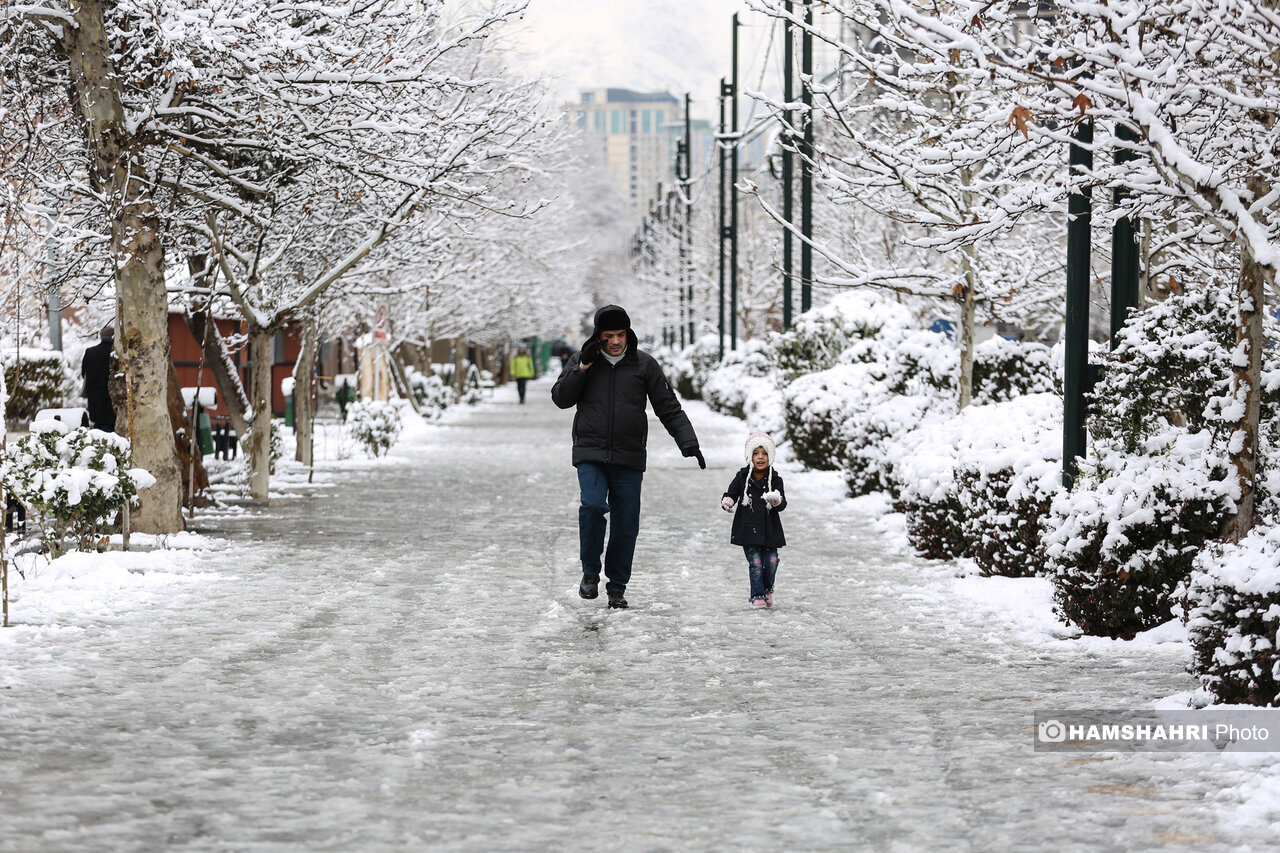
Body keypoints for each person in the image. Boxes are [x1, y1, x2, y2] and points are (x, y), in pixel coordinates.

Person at [552, 305, 704, 609]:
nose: (616, 341)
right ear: (599, 337)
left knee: (626, 523)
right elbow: (561, 398)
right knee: (593, 505)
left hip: (629, 454)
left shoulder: (644, 365)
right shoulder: (583, 362)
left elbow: (668, 406)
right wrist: (580, 368)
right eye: (609, 336)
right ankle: (590, 572)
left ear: (627, 334)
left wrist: (687, 441)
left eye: (620, 334)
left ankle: (617, 586)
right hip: (590, 451)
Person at [721, 432, 787, 608]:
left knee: (771, 561)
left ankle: (767, 589)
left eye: (765, 453)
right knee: (756, 563)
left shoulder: (776, 479)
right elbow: (732, 493)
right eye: (756, 453)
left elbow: (782, 504)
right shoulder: (742, 476)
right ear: (750, 455)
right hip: (748, 527)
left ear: (770, 456)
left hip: (770, 529)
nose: (760, 457)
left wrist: (777, 501)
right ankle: (757, 596)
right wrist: (727, 500)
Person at [80, 322, 116, 432]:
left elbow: (83, 373)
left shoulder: (90, 352)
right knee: (109, 427)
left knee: (97, 427)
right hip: (110, 397)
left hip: (94, 396)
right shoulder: (115, 353)